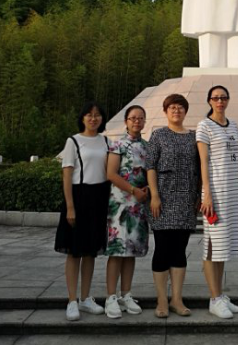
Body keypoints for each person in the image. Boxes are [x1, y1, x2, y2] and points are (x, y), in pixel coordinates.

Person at [54, 101, 111, 322]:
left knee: (90, 251)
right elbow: (67, 175)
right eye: (89, 114)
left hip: (99, 197)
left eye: (97, 115)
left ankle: (85, 298)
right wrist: (70, 206)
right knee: (74, 251)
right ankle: (71, 300)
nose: (93, 118)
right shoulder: (73, 141)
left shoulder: (106, 141)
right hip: (79, 196)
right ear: (82, 118)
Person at [197, 85, 238, 320]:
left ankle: (219, 295)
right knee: (212, 246)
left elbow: (236, 159)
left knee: (223, 246)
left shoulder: (234, 125)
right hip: (214, 193)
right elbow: (203, 161)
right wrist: (207, 193)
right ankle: (214, 298)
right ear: (209, 101)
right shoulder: (204, 126)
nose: (220, 101)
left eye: (223, 97)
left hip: (231, 193)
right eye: (216, 98)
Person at [146, 94, 200, 319]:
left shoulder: (194, 137)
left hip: (186, 199)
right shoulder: (158, 135)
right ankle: (161, 299)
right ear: (165, 111)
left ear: (185, 111)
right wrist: (154, 196)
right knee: (162, 249)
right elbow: (150, 166)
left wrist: (199, 195)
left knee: (179, 250)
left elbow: (199, 168)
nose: (176, 111)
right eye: (172, 107)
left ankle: (176, 299)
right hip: (163, 199)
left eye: (180, 107)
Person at [104, 105, 150, 319]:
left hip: (139, 205)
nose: (137, 121)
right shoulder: (118, 144)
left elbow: (150, 173)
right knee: (117, 249)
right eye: (133, 118)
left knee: (131, 250)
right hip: (120, 204)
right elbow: (111, 174)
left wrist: (147, 190)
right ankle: (111, 296)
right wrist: (133, 190)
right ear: (126, 121)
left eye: (140, 118)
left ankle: (126, 294)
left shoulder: (147, 146)